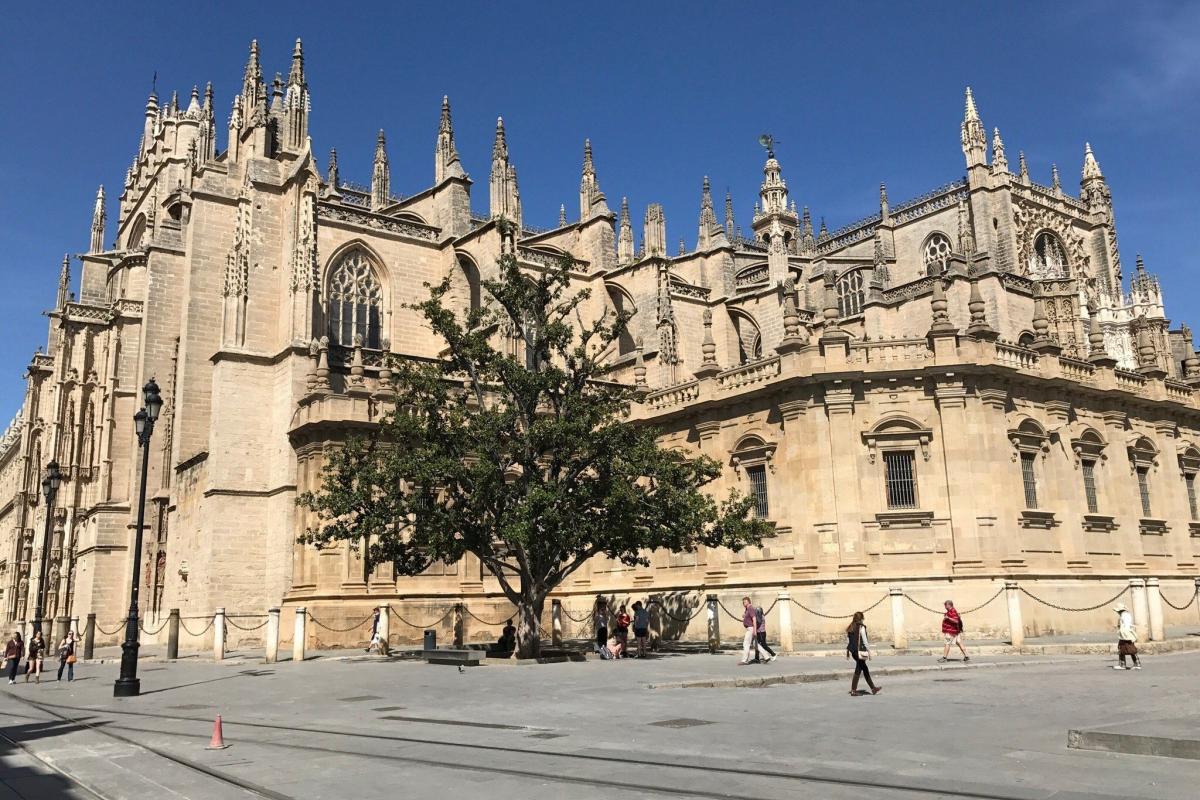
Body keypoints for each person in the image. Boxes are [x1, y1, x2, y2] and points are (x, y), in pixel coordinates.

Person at [846, 611, 880, 696]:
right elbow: (865, 641)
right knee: (859, 669)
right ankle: (853, 690)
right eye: (862, 619)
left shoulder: (850, 626)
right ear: (861, 619)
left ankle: (873, 688)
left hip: (853, 652)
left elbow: (848, 640)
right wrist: (869, 652)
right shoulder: (861, 627)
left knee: (864, 668)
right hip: (859, 652)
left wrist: (850, 651)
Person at [1113, 603, 1141, 670]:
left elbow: (1126, 626)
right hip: (1125, 634)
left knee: (1130, 649)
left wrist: (1124, 633)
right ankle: (1125, 664)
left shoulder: (1124, 615)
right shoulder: (1125, 615)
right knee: (1123, 648)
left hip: (1125, 634)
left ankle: (1135, 664)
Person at [738, 597, 759, 665]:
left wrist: (755, 630)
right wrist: (744, 615)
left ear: (749, 602)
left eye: (745, 602)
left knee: (746, 644)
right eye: (743, 602)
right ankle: (746, 659)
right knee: (748, 644)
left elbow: (754, 619)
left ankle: (744, 660)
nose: (744, 603)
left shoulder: (750, 608)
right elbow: (747, 616)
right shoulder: (747, 609)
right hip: (749, 628)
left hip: (750, 628)